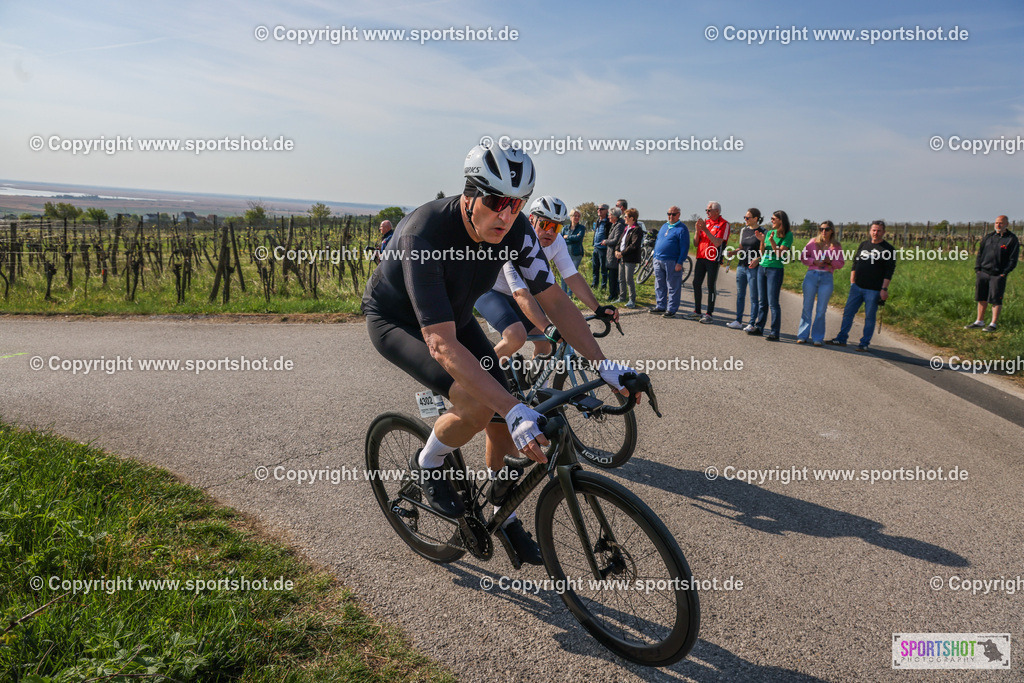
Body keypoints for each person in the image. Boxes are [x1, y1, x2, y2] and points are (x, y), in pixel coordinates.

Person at [362, 143, 631, 564]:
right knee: (480, 403)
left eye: (517, 204)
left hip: (454, 315)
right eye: (496, 202)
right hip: (399, 321)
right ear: (469, 195)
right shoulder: (424, 233)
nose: (506, 215)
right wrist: (509, 407)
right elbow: (439, 343)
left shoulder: (518, 229)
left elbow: (554, 299)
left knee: (504, 416)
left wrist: (604, 365)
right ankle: (428, 462)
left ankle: (502, 514)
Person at [476, 195, 617, 363]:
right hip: (491, 292)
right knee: (515, 336)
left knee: (545, 343)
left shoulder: (557, 242)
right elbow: (519, 293)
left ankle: (534, 379)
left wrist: (597, 308)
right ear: (531, 219)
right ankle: (475, 376)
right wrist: (546, 327)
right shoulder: (515, 239)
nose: (550, 232)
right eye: (545, 225)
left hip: (521, 295)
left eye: (556, 227)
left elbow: (572, 276)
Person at [827, 220, 896, 351]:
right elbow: (855, 262)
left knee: (869, 317)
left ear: (884, 232)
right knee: (848, 313)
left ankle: (864, 343)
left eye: (879, 231)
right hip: (857, 287)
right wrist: (852, 281)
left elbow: (889, 271)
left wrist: (884, 289)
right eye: (874, 230)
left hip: (874, 290)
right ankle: (841, 339)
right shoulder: (864, 244)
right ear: (870, 231)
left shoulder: (888, 249)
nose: (876, 233)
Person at [965, 215, 1018, 332]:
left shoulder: (1011, 239)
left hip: (998, 274)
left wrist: (1004, 273)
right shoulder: (988, 237)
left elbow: (1013, 259)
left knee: (996, 299)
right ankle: (979, 321)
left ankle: (993, 324)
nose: (998, 225)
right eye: (996, 223)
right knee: (981, 297)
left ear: (1006, 224)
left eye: (1001, 223)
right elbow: (980, 253)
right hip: (983, 272)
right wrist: (978, 269)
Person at [797, 221, 845, 346]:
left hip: (827, 278)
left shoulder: (836, 246)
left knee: (821, 310)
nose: (823, 231)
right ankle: (802, 335)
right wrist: (814, 261)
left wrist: (830, 261)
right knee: (807, 307)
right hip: (811, 276)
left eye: (827, 229)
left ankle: (817, 337)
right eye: (821, 229)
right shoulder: (813, 242)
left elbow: (841, 263)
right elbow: (803, 257)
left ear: (832, 231)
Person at [684, 201, 730, 324]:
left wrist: (705, 229)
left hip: (713, 258)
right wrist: (697, 230)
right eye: (706, 210)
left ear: (717, 211)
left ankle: (709, 314)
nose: (707, 212)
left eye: (709, 210)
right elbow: (695, 243)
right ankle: (697, 311)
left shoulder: (724, 224)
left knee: (710, 285)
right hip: (701, 256)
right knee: (696, 283)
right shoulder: (706, 222)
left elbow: (717, 242)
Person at [750, 210, 793, 341]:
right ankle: (759, 327)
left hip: (775, 269)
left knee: (773, 302)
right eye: (771, 218)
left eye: (774, 219)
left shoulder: (788, 235)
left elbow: (779, 254)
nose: (771, 221)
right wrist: (762, 241)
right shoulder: (769, 232)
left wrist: (772, 242)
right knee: (762, 301)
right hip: (762, 267)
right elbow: (762, 252)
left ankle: (775, 332)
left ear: (781, 220)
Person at [650, 206, 690, 318]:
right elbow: (658, 240)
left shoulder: (682, 229)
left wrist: (680, 262)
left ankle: (672, 309)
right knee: (659, 284)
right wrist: (655, 256)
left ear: (678, 215)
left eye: (673, 214)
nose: (670, 216)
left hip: (672, 261)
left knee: (673, 286)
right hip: (658, 259)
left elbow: (684, 247)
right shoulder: (664, 226)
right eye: (669, 214)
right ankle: (660, 306)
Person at [727, 208, 764, 330]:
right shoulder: (744, 230)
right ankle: (738, 321)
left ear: (755, 218)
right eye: (745, 217)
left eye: (748, 217)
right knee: (740, 294)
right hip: (741, 266)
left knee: (753, 296)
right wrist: (733, 252)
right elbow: (741, 248)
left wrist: (758, 259)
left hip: (754, 268)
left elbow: (765, 251)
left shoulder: (763, 231)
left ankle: (752, 323)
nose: (745, 219)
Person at [615, 208, 644, 308]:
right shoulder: (626, 228)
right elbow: (620, 241)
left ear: (632, 218)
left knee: (629, 279)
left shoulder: (637, 230)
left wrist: (622, 253)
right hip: (622, 257)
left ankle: (632, 300)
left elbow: (634, 245)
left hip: (630, 258)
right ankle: (622, 297)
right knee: (621, 278)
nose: (624, 218)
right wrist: (616, 250)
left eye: (626, 217)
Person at [561, 209, 586, 294]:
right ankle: (564, 293)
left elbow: (578, 238)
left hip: (576, 254)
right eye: (575, 216)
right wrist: (573, 237)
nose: (577, 217)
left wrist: (567, 237)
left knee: (572, 274)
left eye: (578, 216)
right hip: (565, 253)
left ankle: (570, 294)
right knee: (564, 273)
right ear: (571, 217)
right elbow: (561, 238)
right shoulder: (565, 228)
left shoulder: (581, 228)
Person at [604, 207, 625, 301]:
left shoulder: (619, 226)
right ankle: (612, 294)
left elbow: (616, 240)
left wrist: (606, 242)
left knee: (613, 276)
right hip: (611, 255)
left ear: (615, 216)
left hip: (614, 255)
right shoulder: (615, 225)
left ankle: (613, 295)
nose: (608, 217)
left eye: (610, 215)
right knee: (611, 276)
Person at [590, 204, 610, 291]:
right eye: (598, 209)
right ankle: (595, 284)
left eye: (601, 209)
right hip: (596, 247)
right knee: (595, 268)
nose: (599, 210)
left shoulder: (608, 222)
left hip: (603, 249)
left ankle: (603, 286)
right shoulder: (598, 221)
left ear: (606, 210)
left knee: (603, 269)